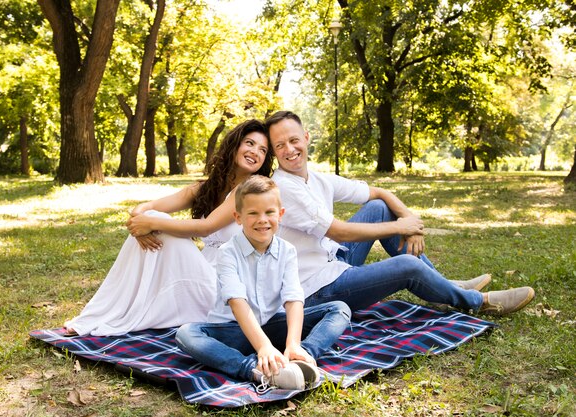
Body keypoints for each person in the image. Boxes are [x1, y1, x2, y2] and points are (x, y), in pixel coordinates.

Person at [264, 110, 535, 316]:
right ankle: (478, 302)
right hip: (314, 290)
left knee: (379, 209)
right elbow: (339, 231)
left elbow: (381, 193)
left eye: (294, 140)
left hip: (333, 261)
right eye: (280, 145)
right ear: (274, 152)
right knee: (408, 267)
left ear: (307, 137)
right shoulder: (284, 187)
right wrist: (399, 228)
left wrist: (408, 220)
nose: (289, 149)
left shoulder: (317, 178)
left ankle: (441, 287)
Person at [63, 119, 273, 336]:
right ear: (235, 144)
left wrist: (151, 223)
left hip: (225, 288)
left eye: (263, 150)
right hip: (203, 271)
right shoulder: (208, 187)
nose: (255, 152)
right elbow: (151, 206)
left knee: (158, 223)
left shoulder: (248, 190)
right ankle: (105, 312)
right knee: (154, 218)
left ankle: (109, 314)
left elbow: (206, 227)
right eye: (249, 143)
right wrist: (140, 219)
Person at [175, 176, 351, 391]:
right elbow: (237, 302)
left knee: (339, 309)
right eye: (253, 213)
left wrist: (293, 342)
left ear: (281, 214)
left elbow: (293, 298)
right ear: (238, 217)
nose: (262, 219)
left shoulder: (287, 251)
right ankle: (254, 370)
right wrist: (264, 347)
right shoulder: (227, 253)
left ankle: (299, 358)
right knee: (186, 333)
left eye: (269, 212)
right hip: (233, 331)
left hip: (272, 325)